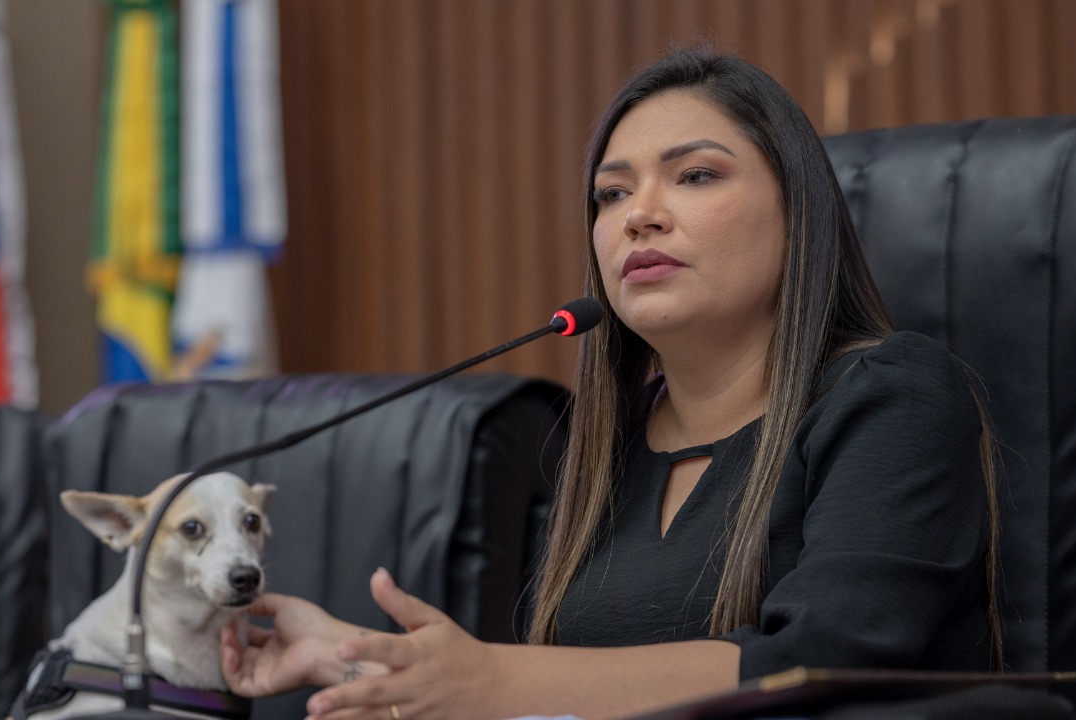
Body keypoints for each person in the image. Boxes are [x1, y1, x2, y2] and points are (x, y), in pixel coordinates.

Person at [219, 44, 1003, 720]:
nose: (639, 216)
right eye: (612, 193)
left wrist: (490, 680)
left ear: (798, 212)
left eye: (695, 175)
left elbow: (822, 663)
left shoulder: (894, 395)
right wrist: (354, 665)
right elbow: (568, 695)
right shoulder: (605, 451)